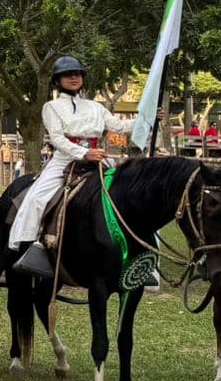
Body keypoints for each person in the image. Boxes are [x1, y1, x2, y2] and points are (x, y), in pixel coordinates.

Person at [11, 56, 143, 279]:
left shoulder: (96, 106)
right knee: (36, 198)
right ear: (57, 80)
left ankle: (138, 250)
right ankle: (32, 247)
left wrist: (146, 118)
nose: (74, 77)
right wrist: (83, 153)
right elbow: (56, 138)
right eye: (67, 74)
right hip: (65, 159)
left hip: (98, 158)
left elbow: (119, 126)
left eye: (77, 74)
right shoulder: (51, 107)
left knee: (134, 193)